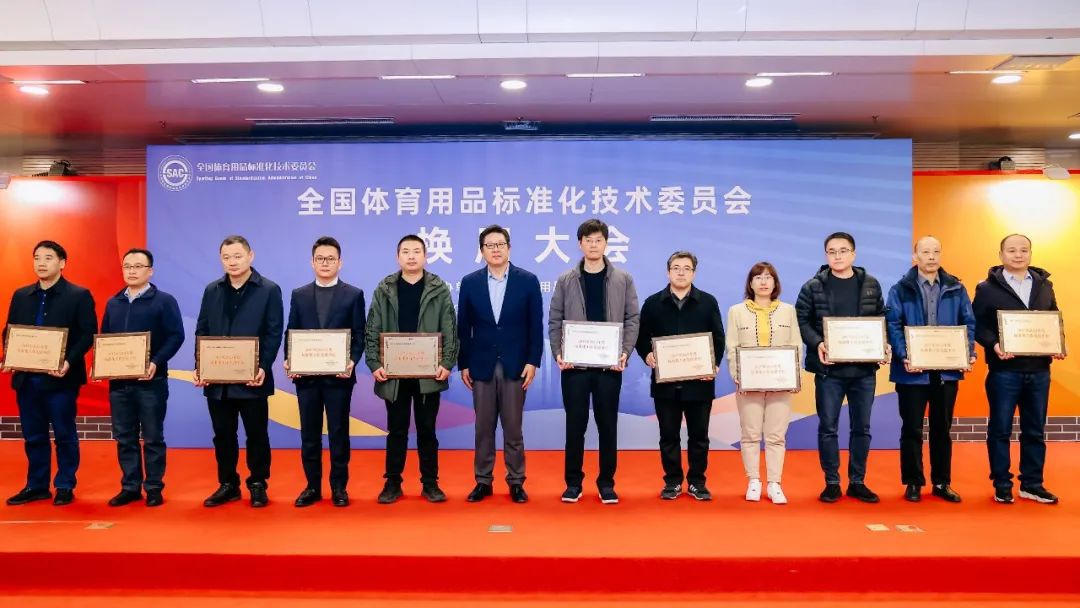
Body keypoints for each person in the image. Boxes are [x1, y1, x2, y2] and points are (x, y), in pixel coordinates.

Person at [549, 218, 639, 505]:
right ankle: (573, 483)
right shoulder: (566, 279)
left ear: (606, 243)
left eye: (598, 240)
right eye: (588, 240)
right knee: (575, 427)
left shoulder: (623, 279)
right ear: (580, 244)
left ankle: (606, 483)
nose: (593, 245)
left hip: (609, 367)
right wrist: (559, 352)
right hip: (574, 367)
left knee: (607, 426)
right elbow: (555, 320)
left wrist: (624, 352)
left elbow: (632, 318)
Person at [972, 233, 1066, 505]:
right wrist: (994, 344)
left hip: (1039, 370)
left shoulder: (1044, 285)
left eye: (1024, 250)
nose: (1018, 255)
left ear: (1030, 253)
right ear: (1001, 254)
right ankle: (1002, 484)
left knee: (1035, 430)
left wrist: (1059, 343)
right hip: (1004, 371)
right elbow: (977, 325)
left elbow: (1053, 318)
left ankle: (1032, 484)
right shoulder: (986, 289)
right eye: (1012, 250)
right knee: (1000, 429)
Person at [796, 231, 889, 504]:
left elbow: (881, 316)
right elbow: (802, 320)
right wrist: (817, 343)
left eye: (843, 251)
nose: (837, 256)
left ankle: (857, 481)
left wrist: (883, 342)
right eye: (832, 252)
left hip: (863, 372)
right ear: (826, 255)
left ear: (853, 254)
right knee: (828, 428)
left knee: (862, 428)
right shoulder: (813, 286)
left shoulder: (870, 284)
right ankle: (832, 482)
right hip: (829, 372)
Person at [365, 235, 458, 504]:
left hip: (428, 374)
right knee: (397, 430)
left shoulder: (438, 289)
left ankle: (430, 483)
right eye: (405, 251)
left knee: (427, 430)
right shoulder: (384, 289)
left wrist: (447, 363)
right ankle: (392, 483)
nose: (411, 256)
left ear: (425, 256)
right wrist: (374, 363)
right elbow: (372, 328)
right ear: (398, 257)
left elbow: (450, 328)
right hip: (394, 374)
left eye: (417, 251)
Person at [4, 240, 96, 507]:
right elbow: (10, 330)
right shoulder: (21, 295)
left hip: (61, 379)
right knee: (33, 435)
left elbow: (87, 334)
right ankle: (36, 485)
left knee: (64, 434)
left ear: (62, 263)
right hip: (27, 379)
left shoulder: (78, 295)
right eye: (37, 258)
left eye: (48, 258)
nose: (41, 263)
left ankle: (65, 484)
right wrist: (9, 356)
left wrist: (68, 361)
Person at [194, 235, 284, 508]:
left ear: (250, 256)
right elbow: (202, 330)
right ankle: (228, 484)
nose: (232, 262)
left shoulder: (269, 289)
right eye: (226, 257)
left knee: (257, 434)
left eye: (237, 256)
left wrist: (263, 366)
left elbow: (273, 333)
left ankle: (258, 483)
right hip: (218, 380)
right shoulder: (212, 290)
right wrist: (200, 365)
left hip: (252, 378)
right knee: (222, 434)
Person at [885, 236, 975, 503]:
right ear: (916, 256)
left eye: (936, 251)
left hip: (946, 371)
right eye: (926, 252)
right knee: (912, 429)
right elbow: (893, 324)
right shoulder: (900, 289)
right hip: (911, 372)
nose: (932, 256)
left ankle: (941, 482)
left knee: (942, 429)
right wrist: (904, 355)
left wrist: (967, 351)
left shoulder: (956, 287)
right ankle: (913, 481)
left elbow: (968, 323)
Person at [458, 225, 543, 504]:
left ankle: (516, 481)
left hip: (515, 364)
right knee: (483, 428)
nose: (495, 249)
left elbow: (535, 326)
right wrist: (464, 363)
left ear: (509, 247)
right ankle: (483, 481)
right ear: (482, 251)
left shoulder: (527, 281)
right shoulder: (470, 282)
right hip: (481, 364)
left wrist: (533, 361)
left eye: (500, 244)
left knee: (513, 427)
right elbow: (463, 328)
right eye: (489, 245)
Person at [99, 248, 185, 507]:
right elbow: (105, 340)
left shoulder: (164, 301)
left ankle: (154, 487)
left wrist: (156, 362)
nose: (132, 271)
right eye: (127, 266)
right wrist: (103, 365)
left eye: (138, 266)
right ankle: (130, 487)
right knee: (124, 437)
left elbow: (176, 336)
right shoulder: (114, 303)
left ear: (150, 271)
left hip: (151, 383)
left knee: (152, 437)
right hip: (119, 384)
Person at [284, 236, 366, 508]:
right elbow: (291, 331)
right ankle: (312, 486)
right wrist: (289, 360)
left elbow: (359, 334)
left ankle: (339, 487)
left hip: (339, 378)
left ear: (340, 263)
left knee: (338, 433)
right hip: (306, 377)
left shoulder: (353, 294)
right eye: (320, 258)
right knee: (309, 433)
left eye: (331, 258)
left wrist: (352, 360)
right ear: (312, 262)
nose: (325, 263)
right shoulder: (299, 294)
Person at [636, 251, 724, 502]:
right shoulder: (653, 303)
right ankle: (672, 481)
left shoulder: (708, 302)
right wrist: (647, 355)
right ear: (668, 272)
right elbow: (641, 338)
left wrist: (713, 364)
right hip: (666, 384)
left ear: (694, 273)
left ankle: (697, 482)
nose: (681, 272)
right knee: (668, 436)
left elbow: (718, 338)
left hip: (699, 384)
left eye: (687, 268)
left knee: (699, 437)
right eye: (676, 268)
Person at [725, 261, 802, 505]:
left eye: (768, 277)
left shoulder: (788, 310)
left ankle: (774, 483)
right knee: (750, 434)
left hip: (780, 383)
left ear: (775, 283)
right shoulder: (736, 311)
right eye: (758, 277)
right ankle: (754, 481)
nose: (763, 281)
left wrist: (794, 376)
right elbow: (731, 346)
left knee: (776, 436)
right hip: (749, 384)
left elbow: (796, 344)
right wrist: (737, 374)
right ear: (750, 283)